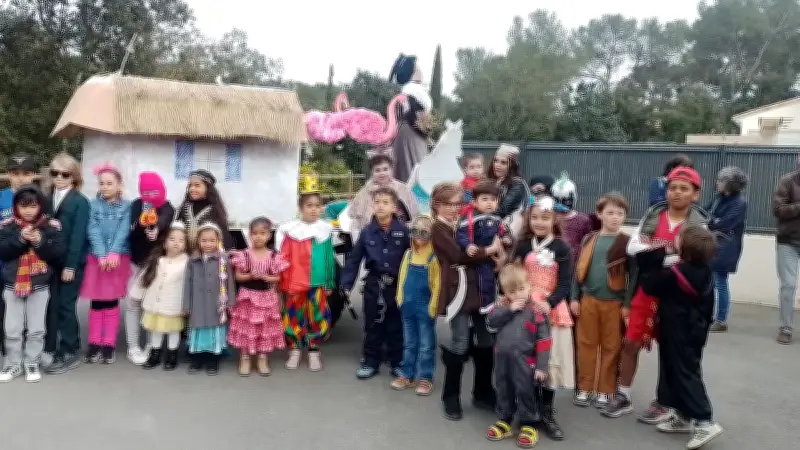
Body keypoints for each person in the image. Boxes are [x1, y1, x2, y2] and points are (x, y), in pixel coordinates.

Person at [603, 166, 708, 422]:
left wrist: (656, 253)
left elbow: (692, 258)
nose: (677, 193)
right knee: (631, 342)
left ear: (695, 194)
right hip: (647, 289)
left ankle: (665, 402)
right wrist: (669, 251)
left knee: (671, 350)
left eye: (684, 189)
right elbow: (633, 247)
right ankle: (623, 395)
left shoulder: (700, 224)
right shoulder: (653, 214)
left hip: (678, 295)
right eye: (673, 188)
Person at [642, 225, 724, 449]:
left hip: (678, 330)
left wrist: (654, 256)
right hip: (696, 330)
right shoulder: (704, 270)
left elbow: (650, 285)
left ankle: (704, 421)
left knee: (685, 374)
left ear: (685, 248)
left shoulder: (675, 273)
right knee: (678, 370)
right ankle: (683, 416)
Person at [430, 182, 504, 421]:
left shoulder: (470, 220)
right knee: (460, 342)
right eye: (448, 204)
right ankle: (450, 396)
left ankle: (482, 392)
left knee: (485, 340)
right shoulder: (437, 228)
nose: (453, 208)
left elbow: (499, 238)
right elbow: (457, 255)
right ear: (436, 205)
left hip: (482, 289)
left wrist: (500, 249)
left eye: (457, 204)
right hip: (458, 290)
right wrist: (489, 250)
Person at [513, 196, 573, 441]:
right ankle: (528, 409)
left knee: (549, 360)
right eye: (534, 217)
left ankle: (547, 410)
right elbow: (513, 274)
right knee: (527, 360)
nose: (539, 222)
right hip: (526, 307)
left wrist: (549, 303)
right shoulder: (523, 244)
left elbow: (566, 282)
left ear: (554, 219)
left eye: (545, 218)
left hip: (551, 309)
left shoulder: (562, 248)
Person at [342, 187, 409, 379]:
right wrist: (346, 285)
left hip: (397, 287)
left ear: (394, 207)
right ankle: (371, 361)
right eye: (377, 202)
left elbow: (413, 259)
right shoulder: (367, 233)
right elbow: (354, 260)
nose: (380, 206)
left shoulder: (403, 232)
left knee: (396, 325)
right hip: (374, 285)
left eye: (385, 202)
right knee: (372, 324)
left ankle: (397, 361)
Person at [570, 193, 630, 408]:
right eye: (610, 213)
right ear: (599, 214)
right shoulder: (589, 239)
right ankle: (585, 387)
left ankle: (606, 389)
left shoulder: (626, 242)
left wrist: (628, 305)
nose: (615, 217)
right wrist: (574, 297)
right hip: (588, 300)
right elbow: (578, 270)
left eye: (620, 213)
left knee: (611, 346)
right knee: (585, 344)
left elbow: (634, 278)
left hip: (614, 303)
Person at [0, 184, 65, 382]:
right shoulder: (7, 226)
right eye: (23, 206)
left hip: (40, 285)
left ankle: (32, 362)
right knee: (12, 328)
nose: (28, 210)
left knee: (37, 328)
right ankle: (13, 363)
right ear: (16, 207)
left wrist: (40, 241)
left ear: (41, 206)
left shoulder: (50, 226)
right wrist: (20, 239)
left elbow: (58, 254)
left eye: (33, 206)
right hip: (12, 285)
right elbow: (3, 251)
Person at [484, 264, 552, 449]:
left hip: (525, 362)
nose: (519, 294)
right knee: (503, 388)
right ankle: (504, 419)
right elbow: (490, 323)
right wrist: (509, 309)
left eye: (522, 288)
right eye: (512, 291)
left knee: (525, 391)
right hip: (502, 359)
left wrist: (541, 367)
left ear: (529, 285)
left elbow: (544, 341)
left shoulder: (536, 311)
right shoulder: (501, 307)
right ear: (505, 292)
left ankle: (529, 423)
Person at [275, 176, 336, 371]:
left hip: (317, 283)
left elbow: (328, 259)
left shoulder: (324, 231)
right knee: (293, 315)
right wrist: (281, 281)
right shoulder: (290, 231)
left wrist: (329, 282)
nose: (313, 209)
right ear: (301, 208)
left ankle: (314, 349)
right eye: (309, 205)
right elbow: (283, 259)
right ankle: (294, 348)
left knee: (318, 315)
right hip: (295, 282)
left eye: (317, 205)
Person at [43, 153, 90, 375]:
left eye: (65, 174)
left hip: (70, 263)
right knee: (52, 304)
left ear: (74, 177)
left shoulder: (80, 201)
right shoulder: (46, 196)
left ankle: (70, 349)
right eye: (55, 173)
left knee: (65, 305)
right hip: (49, 260)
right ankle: (52, 346)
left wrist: (71, 266)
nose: (59, 178)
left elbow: (79, 236)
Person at [81, 163, 132, 365]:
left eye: (110, 183)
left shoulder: (127, 206)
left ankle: (109, 344)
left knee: (111, 300)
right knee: (96, 301)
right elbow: (92, 229)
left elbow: (123, 230)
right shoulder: (92, 205)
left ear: (119, 185)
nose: (105, 187)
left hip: (117, 258)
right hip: (96, 258)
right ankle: (94, 343)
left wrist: (113, 253)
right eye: (102, 183)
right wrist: (102, 255)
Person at [228, 217, 289, 377]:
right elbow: (238, 277)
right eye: (254, 233)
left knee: (264, 329)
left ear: (269, 235)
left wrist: (270, 278)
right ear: (249, 235)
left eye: (262, 233)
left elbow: (278, 277)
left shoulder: (274, 255)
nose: (258, 237)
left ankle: (262, 358)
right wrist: (249, 275)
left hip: (267, 297)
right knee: (247, 328)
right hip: (247, 297)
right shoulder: (244, 255)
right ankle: (245, 357)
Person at [125, 171, 175, 365]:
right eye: (147, 193)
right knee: (132, 303)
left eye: (155, 192)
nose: (151, 197)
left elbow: (164, 218)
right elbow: (130, 231)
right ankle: (133, 346)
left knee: (152, 305)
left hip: (155, 264)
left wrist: (156, 228)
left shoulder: (167, 207)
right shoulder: (136, 205)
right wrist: (139, 224)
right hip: (135, 261)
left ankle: (151, 345)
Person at [391, 214, 440, 395]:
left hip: (425, 307)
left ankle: (425, 377)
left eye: (424, 233)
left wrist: (433, 307)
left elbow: (437, 285)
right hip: (408, 306)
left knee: (426, 344)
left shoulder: (433, 259)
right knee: (409, 342)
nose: (419, 237)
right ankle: (406, 374)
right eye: (415, 232)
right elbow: (402, 277)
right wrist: (400, 298)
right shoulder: (408, 254)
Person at [131, 222, 189, 371]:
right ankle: (155, 354)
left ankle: (172, 355)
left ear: (186, 245)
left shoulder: (186, 263)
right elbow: (143, 279)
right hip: (154, 304)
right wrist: (136, 295)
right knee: (155, 329)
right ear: (164, 243)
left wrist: (188, 305)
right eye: (172, 239)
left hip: (174, 304)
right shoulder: (156, 260)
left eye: (181, 240)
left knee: (173, 331)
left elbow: (190, 286)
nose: (176, 243)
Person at [183, 223, 236, 375]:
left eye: (212, 240)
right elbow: (187, 284)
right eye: (204, 240)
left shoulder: (223, 259)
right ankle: (197, 359)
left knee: (214, 331)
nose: (208, 244)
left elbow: (229, 282)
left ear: (218, 240)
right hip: (198, 304)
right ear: (198, 241)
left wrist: (231, 302)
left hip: (216, 304)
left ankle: (213, 359)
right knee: (198, 331)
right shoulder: (193, 260)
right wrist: (186, 304)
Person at [0, 153, 37, 357]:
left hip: (32, 262)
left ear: (33, 175)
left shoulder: (41, 198)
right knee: (6, 306)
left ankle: (30, 346)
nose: (21, 178)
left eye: (26, 173)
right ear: (8, 175)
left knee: (32, 308)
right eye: (15, 173)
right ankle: (7, 346)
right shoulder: (2, 197)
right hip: (5, 261)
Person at [456, 180, 510, 311]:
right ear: (474, 202)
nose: (489, 202)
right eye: (485, 199)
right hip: (479, 256)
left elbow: (503, 231)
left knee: (498, 280)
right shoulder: (470, 218)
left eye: (493, 199)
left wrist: (507, 238)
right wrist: (468, 245)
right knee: (484, 280)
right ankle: (486, 305)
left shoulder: (497, 218)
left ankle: (497, 300)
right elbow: (461, 234)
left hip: (494, 257)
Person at [706, 167, 747, 333]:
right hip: (714, 242)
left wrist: (713, 221)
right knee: (710, 281)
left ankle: (721, 320)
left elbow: (725, 223)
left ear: (729, 185)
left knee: (720, 281)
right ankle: (711, 315)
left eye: (721, 181)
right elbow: (705, 213)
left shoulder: (740, 203)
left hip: (727, 246)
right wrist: (713, 220)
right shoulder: (719, 198)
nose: (717, 183)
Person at [348, 154, 419, 242]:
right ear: (372, 172)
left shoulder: (403, 190)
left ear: (391, 170)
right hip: (371, 242)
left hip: (399, 240)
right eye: (377, 170)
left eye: (385, 169)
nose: (382, 173)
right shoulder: (363, 193)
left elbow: (414, 217)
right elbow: (355, 221)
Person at [388, 53, 434, 183]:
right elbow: (417, 113)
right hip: (412, 131)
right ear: (413, 73)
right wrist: (425, 129)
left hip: (408, 130)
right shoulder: (413, 90)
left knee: (408, 167)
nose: (420, 70)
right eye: (417, 68)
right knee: (413, 166)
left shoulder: (409, 89)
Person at [772, 159, 800, 345]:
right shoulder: (787, 182)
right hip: (788, 241)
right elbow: (778, 209)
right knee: (788, 286)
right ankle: (786, 328)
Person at [176, 170, 233, 250]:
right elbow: (176, 232)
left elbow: (223, 238)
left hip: (207, 258)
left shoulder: (215, 210)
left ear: (208, 188)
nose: (192, 189)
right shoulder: (185, 208)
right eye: (190, 185)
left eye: (197, 185)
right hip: (185, 256)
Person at [552, 172, 594, 267]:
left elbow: (588, 243)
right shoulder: (549, 218)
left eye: (565, 200)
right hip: (552, 263)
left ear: (573, 199)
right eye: (556, 200)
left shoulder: (583, 220)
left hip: (575, 264)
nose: (560, 204)